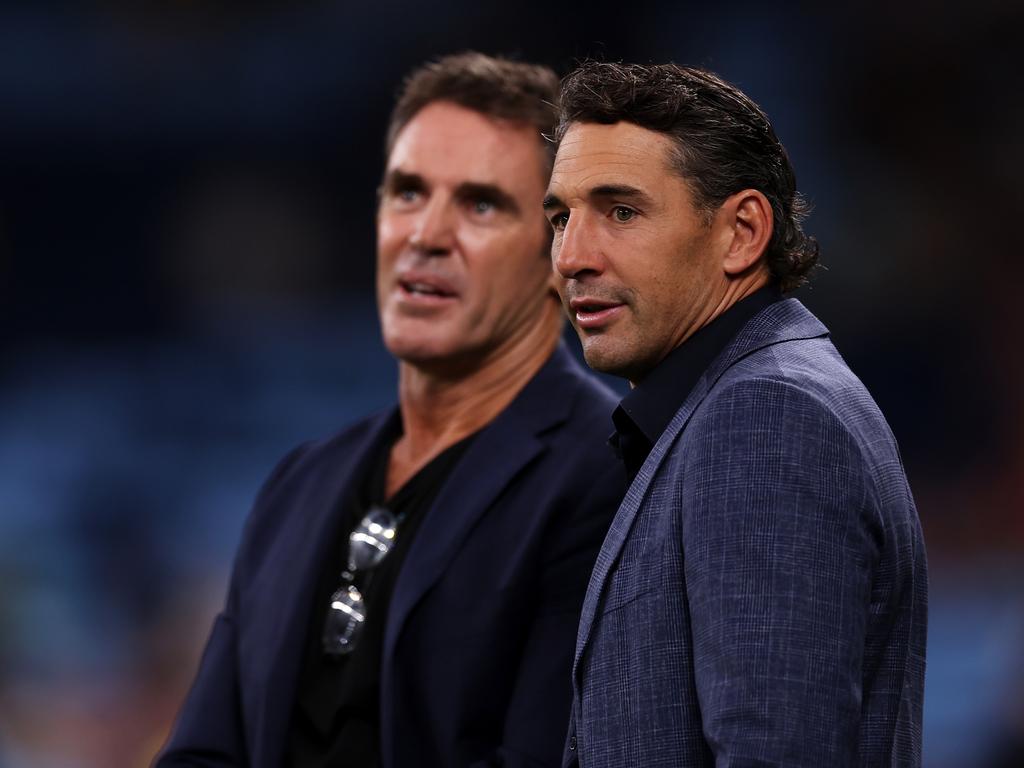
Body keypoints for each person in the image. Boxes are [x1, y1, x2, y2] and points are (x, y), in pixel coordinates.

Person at [156, 53, 625, 768]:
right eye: (407, 193)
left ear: (559, 252)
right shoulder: (302, 484)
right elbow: (203, 751)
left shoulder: (610, 475)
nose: (426, 236)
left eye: (481, 204)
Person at [543, 62, 927, 767]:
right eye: (562, 217)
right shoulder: (744, 401)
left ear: (743, 231)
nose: (571, 258)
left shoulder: (766, 417)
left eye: (621, 211)